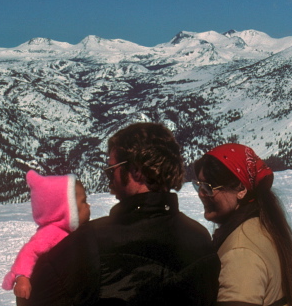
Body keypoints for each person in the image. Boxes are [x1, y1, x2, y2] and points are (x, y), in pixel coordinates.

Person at [26, 123, 218, 306]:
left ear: (137, 171)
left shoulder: (90, 243)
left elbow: (35, 295)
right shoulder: (201, 239)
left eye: (112, 171)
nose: (110, 181)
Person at [191, 144, 292, 306]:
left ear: (241, 189)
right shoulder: (262, 224)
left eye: (208, 187)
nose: (200, 193)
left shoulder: (240, 252)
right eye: (198, 185)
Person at [8, 170, 83, 299]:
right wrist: (22, 277)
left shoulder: (71, 231)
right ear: (63, 209)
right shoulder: (52, 233)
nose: (88, 206)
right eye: (83, 202)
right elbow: (29, 252)